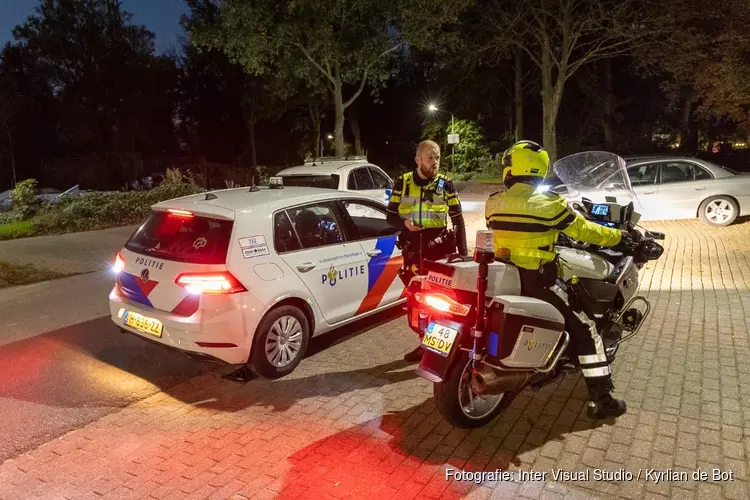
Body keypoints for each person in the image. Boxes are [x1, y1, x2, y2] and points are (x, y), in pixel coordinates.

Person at [485, 140, 633, 420]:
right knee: (586, 327)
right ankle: (601, 399)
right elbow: (587, 231)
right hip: (538, 281)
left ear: (512, 168)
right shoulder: (551, 204)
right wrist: (620, 237)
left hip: (505, 276)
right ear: (537, 168)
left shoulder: (493, 203)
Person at [387, 139, 469, 362]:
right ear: (418, 159)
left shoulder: (446, 185)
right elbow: (390, 217)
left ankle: (440, 346)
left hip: (440, 253)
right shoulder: (402, 183)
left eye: (438, 157)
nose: (435, 162)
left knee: (442, 301)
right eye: (430, 157)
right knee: (417, 303)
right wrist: (405, 225)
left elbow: (458, 221)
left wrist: (462, 254)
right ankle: (425, 342)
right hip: (413, 252)